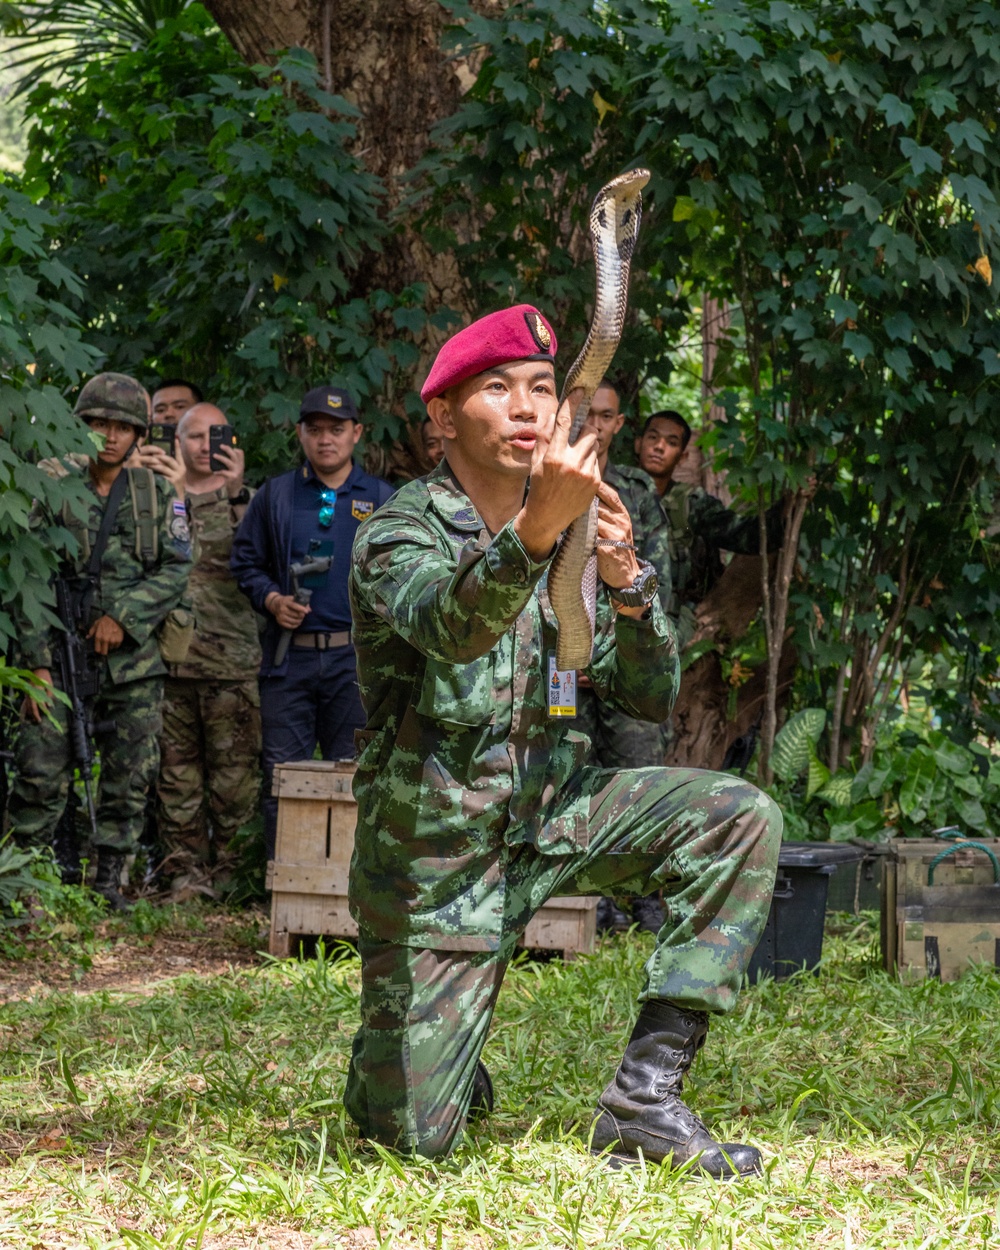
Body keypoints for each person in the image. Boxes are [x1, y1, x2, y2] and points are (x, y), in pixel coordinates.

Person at [343, 305, 782, 1174]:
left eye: (543, 389)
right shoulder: (400, 529)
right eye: (497, 390)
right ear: (441, 418)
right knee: (410, 1145)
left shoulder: (577, 538)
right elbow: (450, 623)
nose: (527, 408)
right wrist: (538, 530)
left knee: (738, 813)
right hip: (439, 861)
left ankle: (644, 1101)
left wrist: (625, 582)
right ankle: (414, 1052)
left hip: (556, 812)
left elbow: (647, 695)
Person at [9, 373, 193, 909]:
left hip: (132, 664)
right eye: (97, 424)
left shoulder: (157, 493)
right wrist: (36, 666)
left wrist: (124, 616)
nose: (109, 436)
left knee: (129, 777)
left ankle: (110, 885)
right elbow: (27, 579)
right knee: (40, 772)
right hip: (57, 658)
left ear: (139, 434)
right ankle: (26, 888)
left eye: (121, 426)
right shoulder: (47, 485)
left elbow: (178, 566)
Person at [231, 385, 394, 858]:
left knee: (358, 775)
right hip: (290, 662)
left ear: (357, 433)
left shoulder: (383, 498)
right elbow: (244, 562)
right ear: (300, 433)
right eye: (315, 429)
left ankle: (353, 892)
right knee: (284, 774)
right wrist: (271, 599)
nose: (326, 439)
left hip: (356, 663)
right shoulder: (277, 496)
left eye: (337, 429)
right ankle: (285, 886)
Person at [156, 402, 262, 894]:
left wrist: (236, 493)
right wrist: (175, 495)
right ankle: (184, 876)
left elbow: (261, 564)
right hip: (168, 663)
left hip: (231, 662)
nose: (204, 446)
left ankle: (235, 877)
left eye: (215, 436)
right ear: (176, 443)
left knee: (235, 781)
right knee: (176, 780)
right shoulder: (156, 497)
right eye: (194, 436)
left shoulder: (250, 500)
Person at [581, 380, 672, 933]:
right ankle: (594, 904)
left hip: (624, 657)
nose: (594, 424)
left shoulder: (635, 490)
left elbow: (656, 575)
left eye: (605, 415)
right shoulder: (542, 483)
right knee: (572, 776)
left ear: (619, 425)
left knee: (639, 780)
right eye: (586, 413)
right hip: (563, 661)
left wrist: (641, 645)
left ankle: (648, 900)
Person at [636, 410, 783, 648]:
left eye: (671, 442)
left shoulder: (691, 503)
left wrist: (788, 506)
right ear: (638, 443)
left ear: (682, 457)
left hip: (670, 619)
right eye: (653, 438)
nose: (660, 447)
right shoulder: (613, 493)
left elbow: (744, 535)